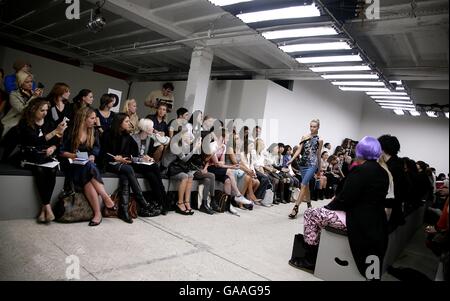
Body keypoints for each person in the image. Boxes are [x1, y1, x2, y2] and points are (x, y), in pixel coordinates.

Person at [289, 136, 389, 279]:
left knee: (311, 214)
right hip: (376, 221)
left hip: (356, 220)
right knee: (319, 212)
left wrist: (326, 208)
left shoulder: (361, 170)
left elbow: (344, 199)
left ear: (360, 150)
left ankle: (310, 259)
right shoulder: (383, 173)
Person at [60, 107, 116, 226]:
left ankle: (97, 214)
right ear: (83, 118)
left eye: (95, 118)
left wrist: (92, 156)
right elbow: (61, 151)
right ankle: (105, 197)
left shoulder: (93, 131)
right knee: (89, 167)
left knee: (88, 177)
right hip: (71, 164)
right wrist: (74, 155)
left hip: (85, 166)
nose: (95, 121)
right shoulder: (70, 131)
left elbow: (96, 148)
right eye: (92, 118)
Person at [18, 98, 67, 223]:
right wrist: (55, 131)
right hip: (29, 156)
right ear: (34, 109)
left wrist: (52, 147)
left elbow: (56, 142)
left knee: (52, 171)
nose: (45, 113)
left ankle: (44, 209)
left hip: (45, 156)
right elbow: (35, 141)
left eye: (46, 110)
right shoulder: (25, 123)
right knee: (40, 170)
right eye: (42, 110)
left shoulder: (48, 122)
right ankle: (47, 207)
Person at [101, 113, 157, 223]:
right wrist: (115, 158)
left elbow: (131, 154)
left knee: (125, 176)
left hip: (122, 165)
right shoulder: (107, 134)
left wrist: (126, 158)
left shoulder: (127, 136)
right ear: (119, 123)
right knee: (128, 170)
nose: (129, 123)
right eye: (126, 121)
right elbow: (102, 153)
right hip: (109, 163)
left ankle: (124, 211)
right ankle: (142, 201)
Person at [131, 118, 171, 215]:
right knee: (155, 168)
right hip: (135, 164)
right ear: (145, 128)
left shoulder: (151, 139)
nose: (153, 129)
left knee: (152, 176)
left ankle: (160, 202)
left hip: (145, 165)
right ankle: (164, 203)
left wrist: (149, 158)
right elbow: (131, 157)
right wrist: (142, 159)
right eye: (151, 127)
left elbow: (149, 154)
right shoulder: (133, 138)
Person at [287, 119, 323, 218]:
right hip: (302, 164)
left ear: (318, 127)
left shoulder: (320, 140)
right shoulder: (305, 137)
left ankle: (295, 208)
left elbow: (318, 154)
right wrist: (292, 159)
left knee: (303, 184)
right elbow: (299, 149)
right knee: (305, 185)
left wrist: (319, 169)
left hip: (312, 165)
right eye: (311, 126)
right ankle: (309, 204)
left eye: (314, 126)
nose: (312, 128)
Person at [378, 134, 407, 231]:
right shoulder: (397, 163)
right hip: (391, 208)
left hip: (389, 211)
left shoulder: (393, 167)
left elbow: (393, 192)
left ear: (382, 148)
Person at [1, 70, 43, 138]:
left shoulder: (33, 93)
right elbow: (23, 110)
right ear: (20, 83)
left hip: (29, 124)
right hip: (14, 124)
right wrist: (34, 97)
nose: (30, 84)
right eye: (27, 82)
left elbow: (38, 110)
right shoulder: (14, 94)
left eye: (31, 81)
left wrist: (39, 98)